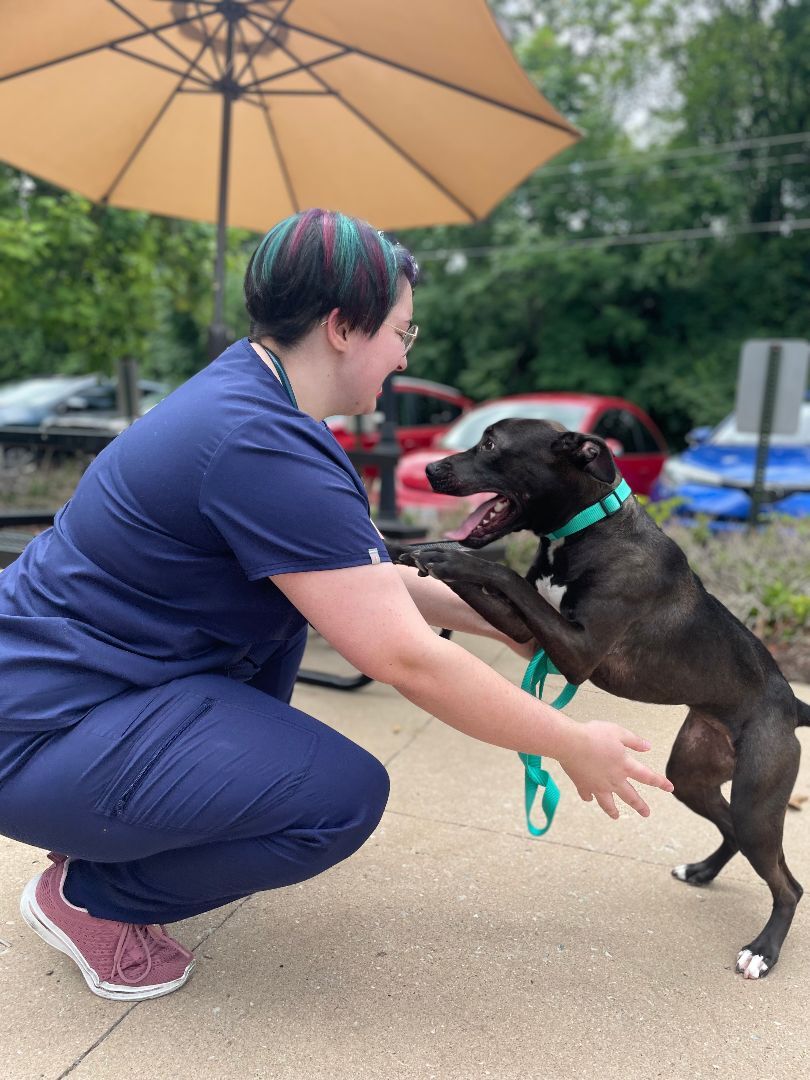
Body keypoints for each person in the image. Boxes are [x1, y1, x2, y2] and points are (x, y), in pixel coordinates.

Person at [0, 208, 673, 1001]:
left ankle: (110, 835)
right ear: (343, 326)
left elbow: (364, 582)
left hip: (76, 702)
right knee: (337, 799)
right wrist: (570, 742)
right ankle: (93, 900)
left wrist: (529, 629)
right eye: (401, 332)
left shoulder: (251, 397)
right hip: (38, 737)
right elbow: (403, 656)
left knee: (275, 655)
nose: (402, 354)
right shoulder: (261, 440)